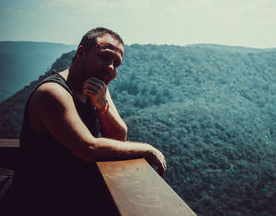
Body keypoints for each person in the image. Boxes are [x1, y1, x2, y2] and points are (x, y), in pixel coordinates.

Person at [11, 27, 166, 215]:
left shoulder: (98, 88)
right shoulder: (53, 93)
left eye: (116, 64)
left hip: (71, 195)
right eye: (105, 57)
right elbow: (88, 149)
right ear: (81, 53)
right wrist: (146, 149)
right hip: (39, 202)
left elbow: (119, 137)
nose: (110, 68)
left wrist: (101, 106)